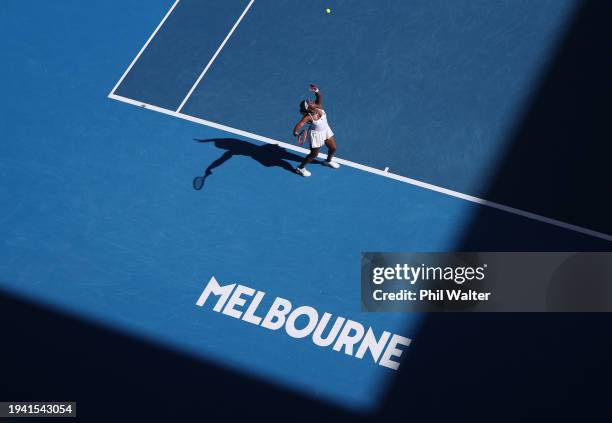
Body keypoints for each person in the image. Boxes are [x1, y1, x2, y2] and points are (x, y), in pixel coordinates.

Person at [293, 84, 340, 177]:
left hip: (326, 130)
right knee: (314, 154)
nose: (312, 102)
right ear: (309, 108)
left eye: (311, 101)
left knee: (333, 148)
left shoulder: (318, 106)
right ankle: (300, 168)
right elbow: (300, 124)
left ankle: (328, 161)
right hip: (316, 135)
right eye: (310, 103)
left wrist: (316, 90)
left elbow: (319, 97)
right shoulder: (308, 117)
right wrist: (296, 132)